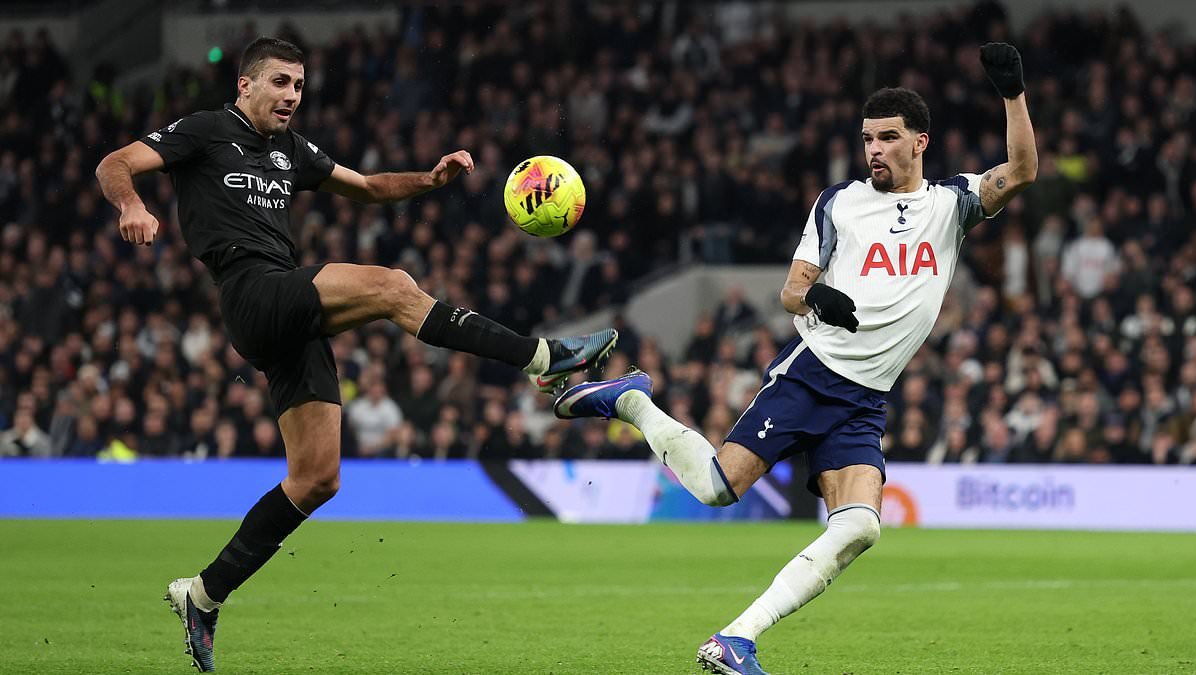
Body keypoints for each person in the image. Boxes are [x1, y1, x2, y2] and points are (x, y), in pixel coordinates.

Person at [94, 37, 616, 672]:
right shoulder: (205, 131)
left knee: (317, 478)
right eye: (280, 83)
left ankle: (203, 595)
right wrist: (132, 204)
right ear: (245, 86)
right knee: (393, 286)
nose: (292, 96)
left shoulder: (291, 149)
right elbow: (114, 162)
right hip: (251, 291)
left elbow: (366, 186)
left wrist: (429, 179)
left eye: (299, 86)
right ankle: (543, 358)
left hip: (290, 312)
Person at [555, 43, 1036, 674]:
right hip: (814, 375)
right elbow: (790, 291)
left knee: (860, 529)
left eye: (888, 138)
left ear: (921, 142)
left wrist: (1012, 93)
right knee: (716, 489)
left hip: (867, 398)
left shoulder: (951, 203)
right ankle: (633, 402)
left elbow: (1022, 171)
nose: (875, 151)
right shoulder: (839, 203)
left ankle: (736, 638)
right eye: (867, 139)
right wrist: (819, 296)